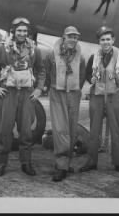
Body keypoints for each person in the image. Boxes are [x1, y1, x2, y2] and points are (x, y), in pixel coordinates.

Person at [0, 17, 46, 177]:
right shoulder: (1, 48)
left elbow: (41, 70)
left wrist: (39, 89)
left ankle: (26, 163)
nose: (22, 33)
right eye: (19, 30)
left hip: (27, 94)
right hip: (8, 94)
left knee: (26, 131)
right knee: (4, 130)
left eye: (25, 31)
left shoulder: (34, 49)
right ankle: (1, 163)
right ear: (13, 32)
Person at [79, 26, 119, 174]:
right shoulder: (93, 57)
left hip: (114, 96)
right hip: (97, 96)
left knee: (116, 131)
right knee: (94, 131)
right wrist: (91, 80)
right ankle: (91, 161)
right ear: (99, 42)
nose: (106, 42)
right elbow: (88, 74)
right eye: (103, 39)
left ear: (113, 40)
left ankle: (118, 162)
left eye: (108, 39)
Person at [44, 26, 86, 181]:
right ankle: (61, 165)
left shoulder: (80, 57)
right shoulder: (51, 55)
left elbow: (82, 76)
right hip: (57, 93)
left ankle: (67, 162)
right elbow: (47, 72)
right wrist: (52, 88)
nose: (73, 40)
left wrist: (75, 90)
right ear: (63, 37)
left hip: (74, 94)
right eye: (70, 36)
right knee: (60, 129)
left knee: (72, 129)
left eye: (76, 37)